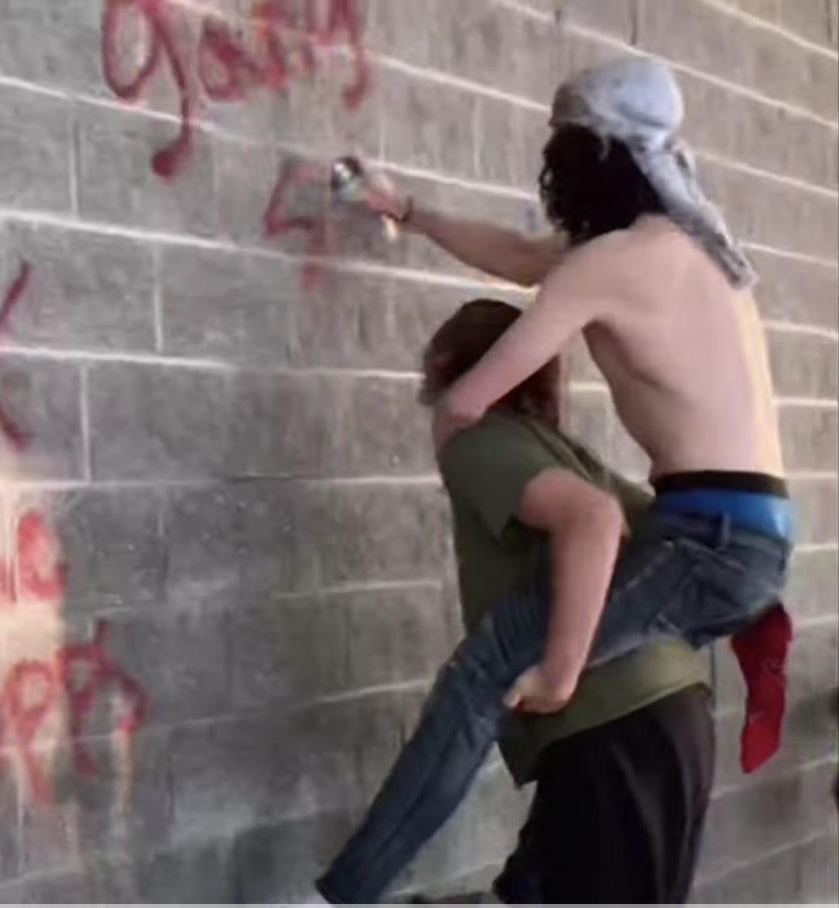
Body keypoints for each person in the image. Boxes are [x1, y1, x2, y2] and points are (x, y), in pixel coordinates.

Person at [310, 57, 795, 904]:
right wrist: (407, 210)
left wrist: (454, 420)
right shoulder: (686, 252)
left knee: (488, 671)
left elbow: (483, 389)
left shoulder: (608, 265)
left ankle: (339, 896)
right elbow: (517, 255)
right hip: (740, 533)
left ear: (588, 157)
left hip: (708, 539)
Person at [417, 299, 715, 904]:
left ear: (448, 367)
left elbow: (594, 519)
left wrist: (559, 673)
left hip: (614, 724)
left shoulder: (479, 440)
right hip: (663, 710)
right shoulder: (560, 450)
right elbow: (654, 523)